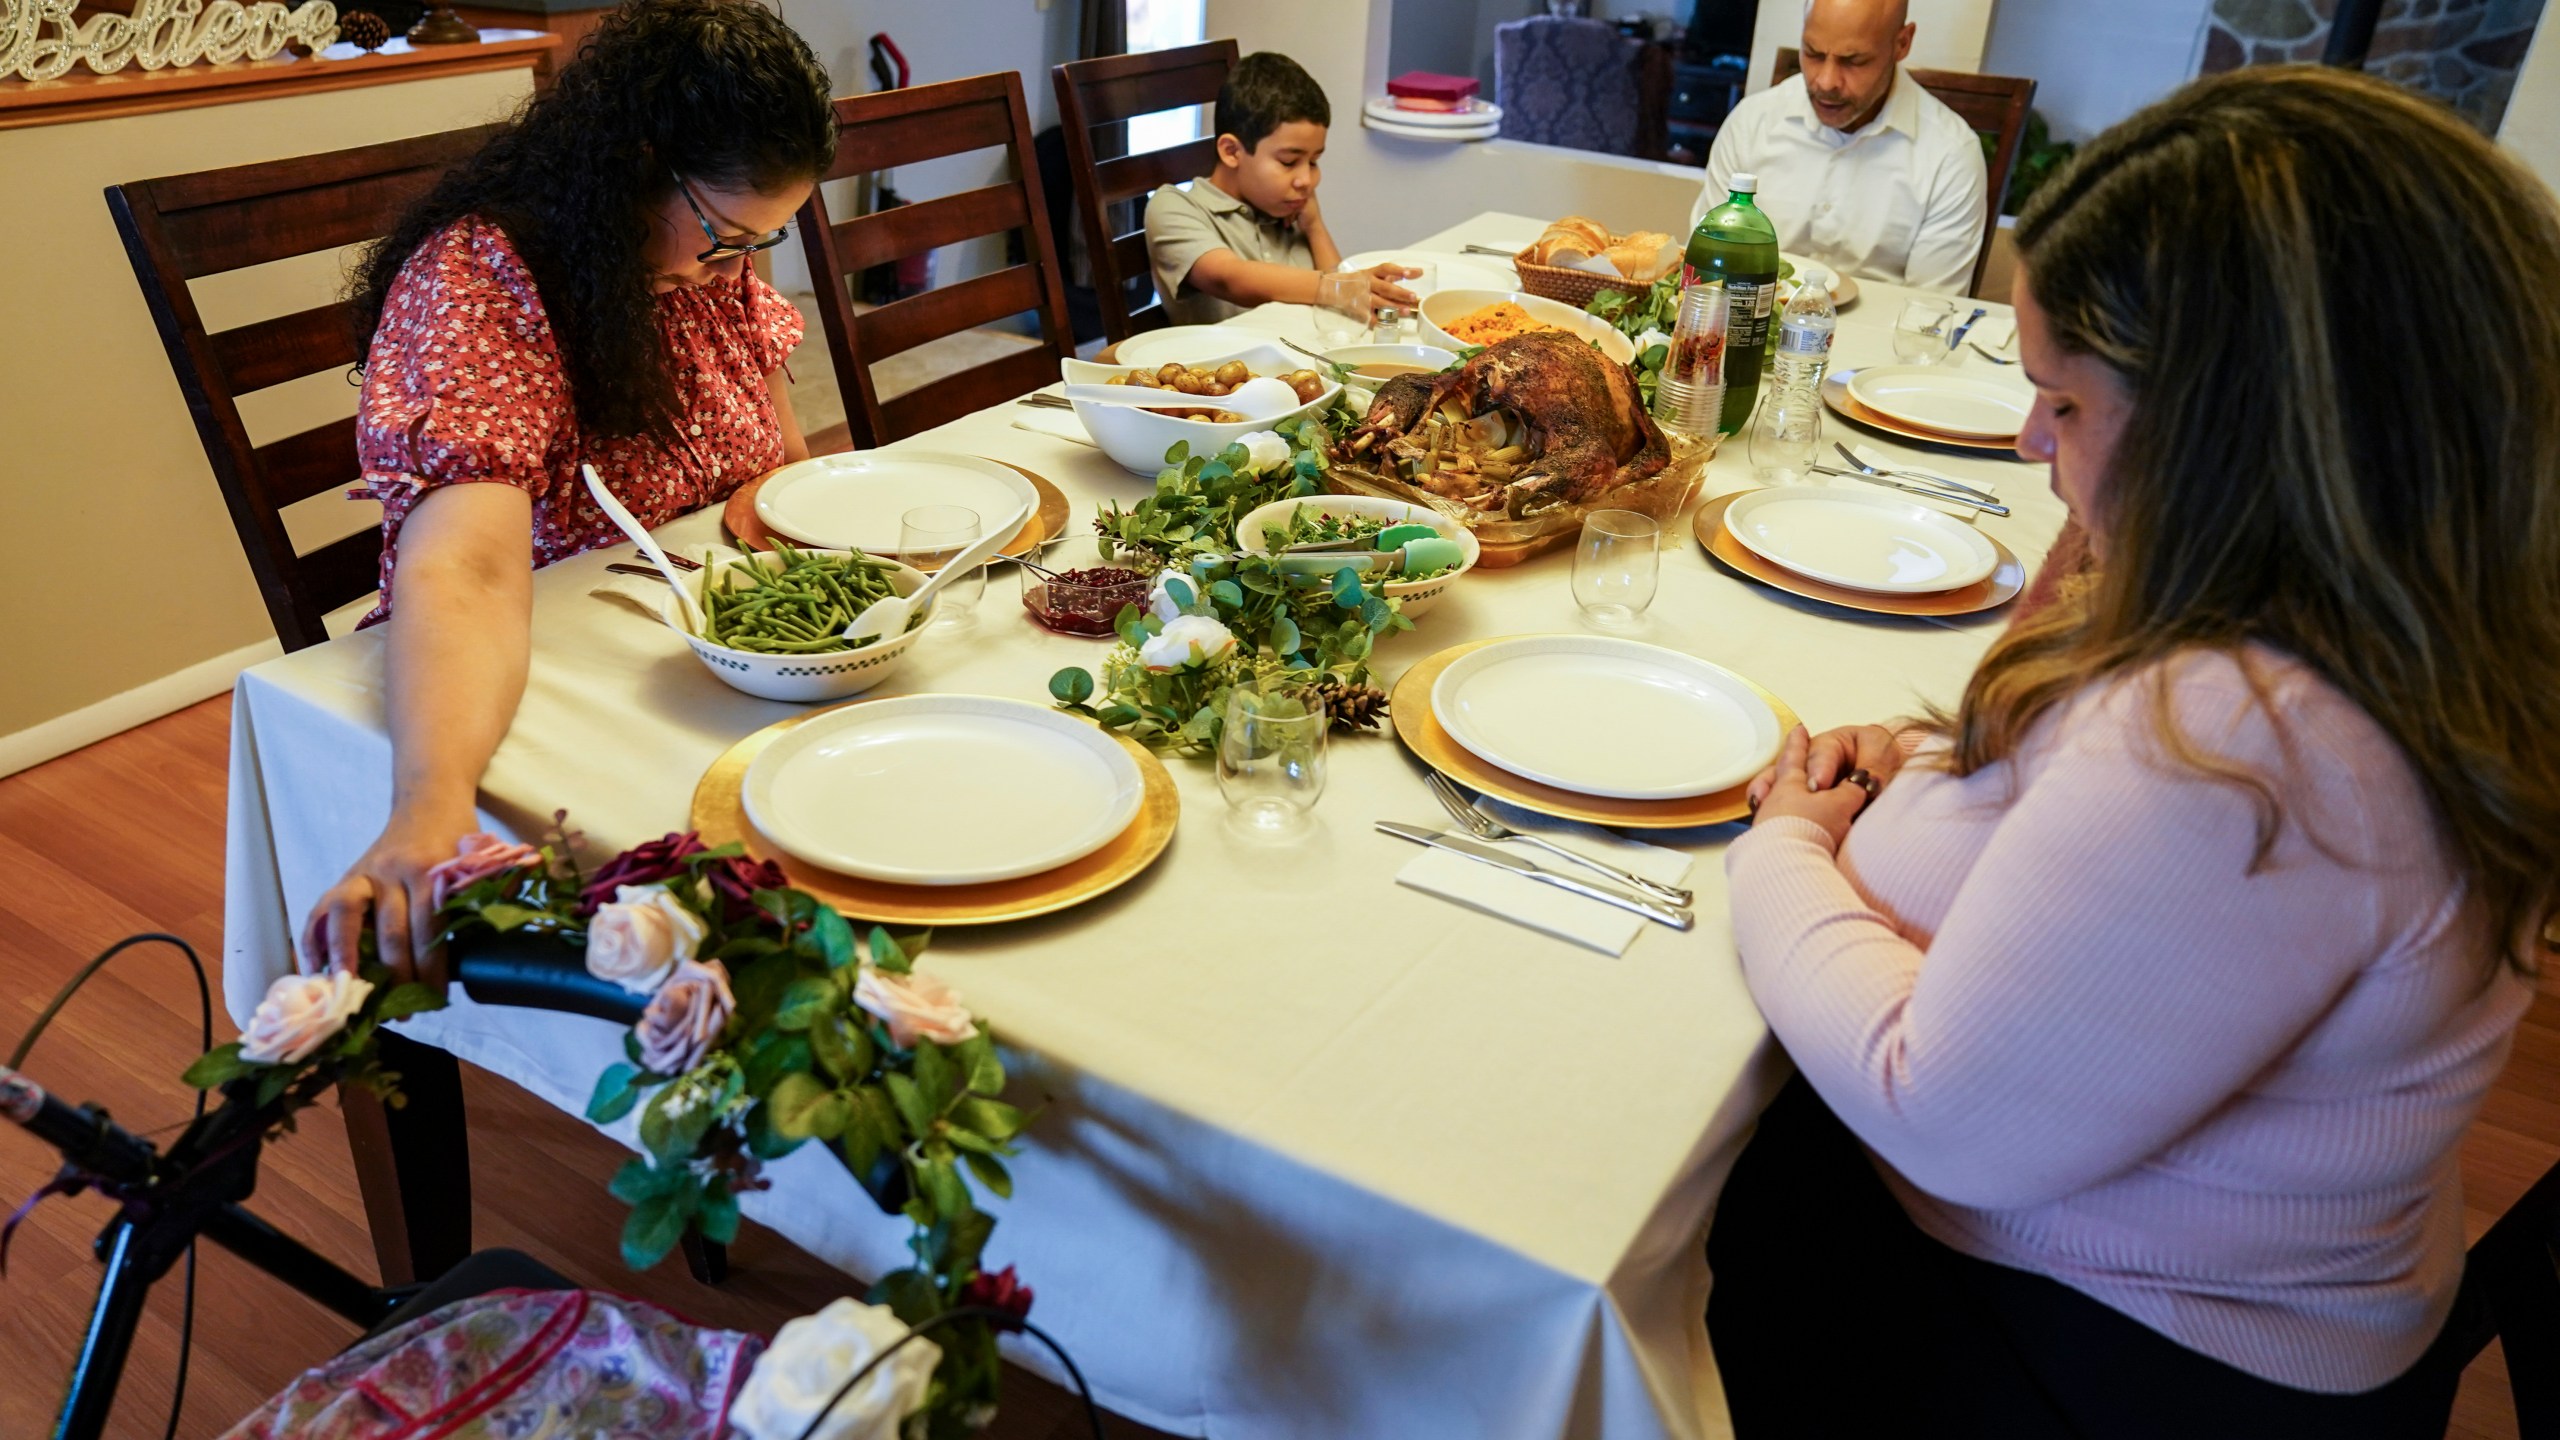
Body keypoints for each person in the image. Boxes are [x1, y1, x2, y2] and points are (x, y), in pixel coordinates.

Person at [1708, 66, 2560, 1438]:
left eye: (2070, 404)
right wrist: (1932, 772)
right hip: (2173, 1279)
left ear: (2240, 434)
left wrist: (1787, 849)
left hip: (2117, 1359)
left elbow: (1934, 1110)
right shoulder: (2371, 621)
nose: (2036, 441)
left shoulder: (2264, 737)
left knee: (1633, 1181)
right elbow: (2085, 809)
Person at [300, 0, 836, 979]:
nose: (737, 270)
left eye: (766, 243)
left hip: (711, 651)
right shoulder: (486, 277)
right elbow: (465, 568)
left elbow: (780, 468)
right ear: (634, 162)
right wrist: (428, 805)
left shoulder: (700, 267)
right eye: (725, 238)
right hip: (541, 667)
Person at [1691, 0, 1987, 294]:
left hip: (1876, 335)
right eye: (1813, 53)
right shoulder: (1752, 122)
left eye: (1853, 61)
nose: (1826, 81)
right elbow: (1706, 269)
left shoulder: (1951, 154)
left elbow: (1929, 314)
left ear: (1902, 43)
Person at [1144, 52, 1416, 326]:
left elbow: (1343, 310)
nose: (1306, 180)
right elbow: (1230, 279)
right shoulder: (1174, 207)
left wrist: (1315, 227)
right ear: (1231, 152)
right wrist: (1340, 287)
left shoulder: (1288, 207)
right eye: (1289, 162)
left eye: (1313, 162)